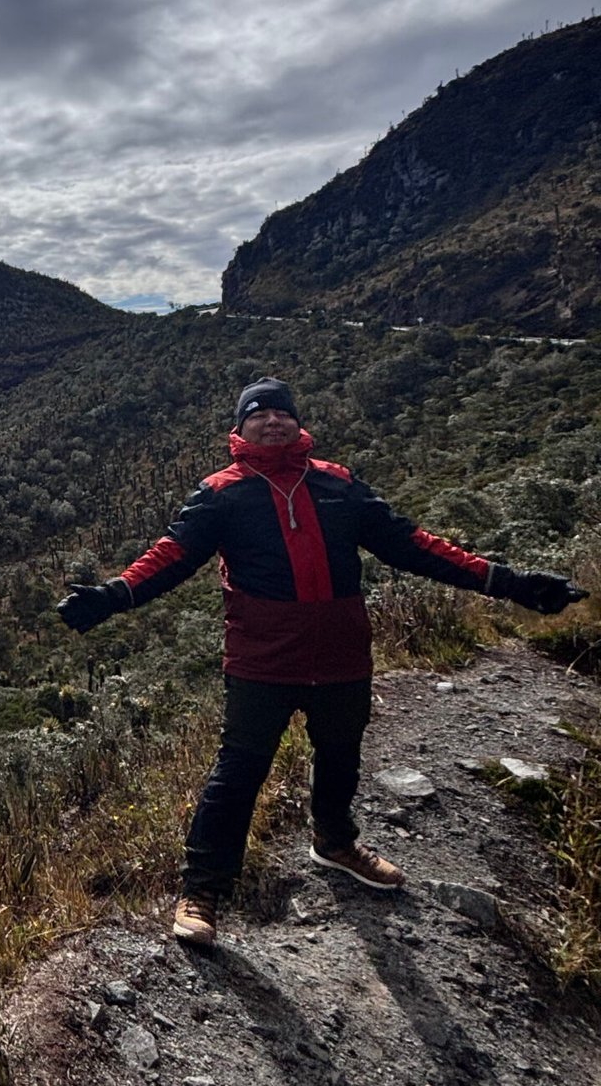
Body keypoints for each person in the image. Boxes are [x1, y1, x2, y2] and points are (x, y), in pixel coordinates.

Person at [57, 378, 586, 949]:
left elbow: (414, 545)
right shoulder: (221, 493)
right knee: (238, 773)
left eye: (283, 413)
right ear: (240, 429)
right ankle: (202, 889)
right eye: (260, 415)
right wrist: (114, 595)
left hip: (341, 653)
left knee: (341, 754)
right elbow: (172, 557)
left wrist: (512, 584)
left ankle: (335, 844)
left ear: (298, 423)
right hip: (263, 658)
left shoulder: (339, 485)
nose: (274, 422)